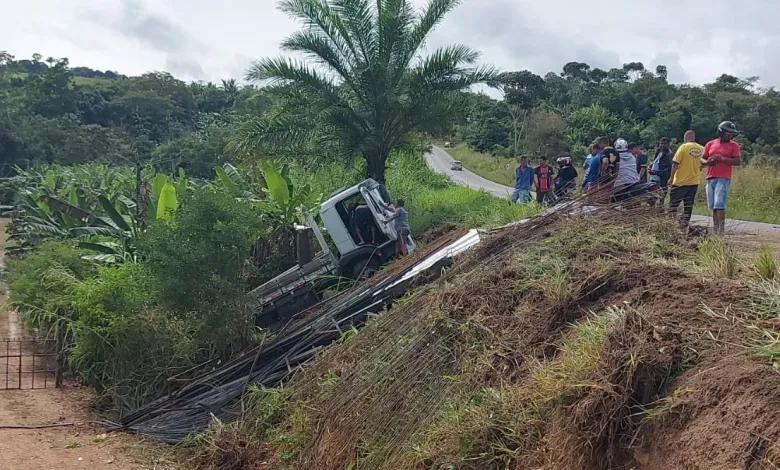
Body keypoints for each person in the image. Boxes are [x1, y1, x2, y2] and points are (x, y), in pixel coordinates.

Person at [701, 121, 741, 235]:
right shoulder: (710, 144)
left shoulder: (734, 145)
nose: (730, 136)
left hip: (723, 177)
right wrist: (709, 162)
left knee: (719, 204)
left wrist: (723, 159)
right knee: (713, 205)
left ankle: (721, 231)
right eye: (728, 134)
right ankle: (716, 229)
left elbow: (737, 161)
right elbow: (702, 159)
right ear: (721, 132)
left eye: (732, 134)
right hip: (710, 177)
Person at [668, 130, 705, 228]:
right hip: (694, 182)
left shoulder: (683, 147)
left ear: (685, 138)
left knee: (673, 205)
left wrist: (671, 178)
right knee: (688, 205)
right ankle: (685, 223)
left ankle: (670, 224)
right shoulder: (702, 148)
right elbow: (704, 163)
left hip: (680, 182)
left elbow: (675, 164)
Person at [649, 137, 674, 206]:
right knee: (651, 199)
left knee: (660, 198)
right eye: (661, 143)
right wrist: (651, 166)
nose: (662, 145)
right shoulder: (658, 151)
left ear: (668, 144)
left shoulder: (669, 154)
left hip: (662, 180)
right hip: (653, 179)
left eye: (664, 144)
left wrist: (656, 172)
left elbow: (669, 169)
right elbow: (655, 162)